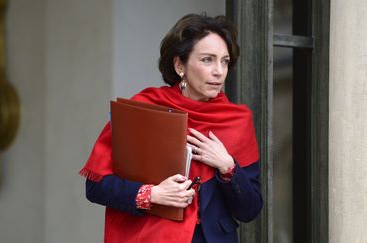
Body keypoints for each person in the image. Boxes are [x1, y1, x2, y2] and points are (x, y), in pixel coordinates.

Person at [80, 13, 262, 243]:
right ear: (179, 65)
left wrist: (228, 168)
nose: (219, 71)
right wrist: (152, 194)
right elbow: (96, 186)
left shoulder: (237, 120)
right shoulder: (144, 108)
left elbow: (250, 210)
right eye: (208, 59)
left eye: (224, 61)